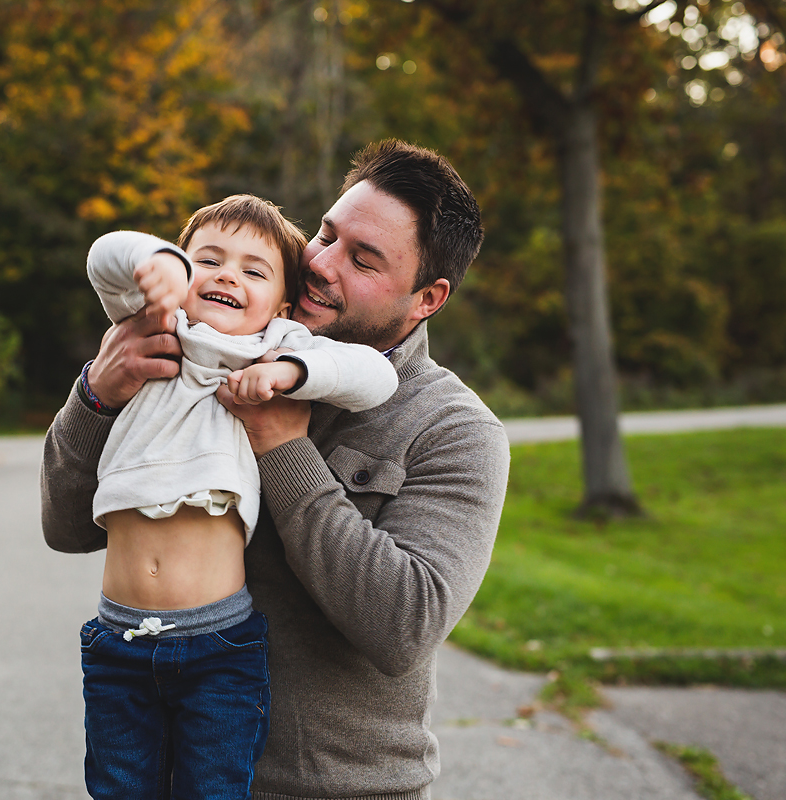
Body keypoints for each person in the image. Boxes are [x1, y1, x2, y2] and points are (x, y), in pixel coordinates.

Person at [41, 140, 510, 800]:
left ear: (426, 297)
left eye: (362, 259)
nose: (319, 263)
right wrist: (96, 396)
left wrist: (284, 450)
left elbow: (403, 624)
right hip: (173, 769)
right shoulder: (202, 350)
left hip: (333, 789)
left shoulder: (454, 431)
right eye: (325, 233)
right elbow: (66, 527)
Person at [77, 194, 398, 799]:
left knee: (215, 789)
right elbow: (102, 257)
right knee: (118, 788)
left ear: (282, 304)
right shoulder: (152, 322)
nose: (228, 275)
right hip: (119, 638)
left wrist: (291, 373)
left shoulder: (279, 344)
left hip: (219, 645)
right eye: (210, 260)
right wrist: (160, 263)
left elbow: (375, 377)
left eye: (255, 270)